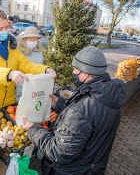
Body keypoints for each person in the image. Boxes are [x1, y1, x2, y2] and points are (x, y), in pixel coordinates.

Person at [22, 46, 126, 175]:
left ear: (86, 73)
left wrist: (34, 130)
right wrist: (61, 105)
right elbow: (90, 120)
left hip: (70, 171)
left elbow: (59, 152)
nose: (73, 72)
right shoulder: (109, 95)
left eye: (75, 69)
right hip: (93, 164)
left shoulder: (81, 110)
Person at [0, 5, 56, 120]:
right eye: (0, 29)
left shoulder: (10, 44)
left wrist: (44, 70)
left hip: (8, 103)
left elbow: (25, 64)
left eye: (6, 27)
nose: (5, 32)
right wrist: (9, 74)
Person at [15, 26, 44, 102]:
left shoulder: (39, 50)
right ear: (25, 39)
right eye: (31, 39)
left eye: (35, 39)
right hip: (22, 84)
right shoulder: (19, 51)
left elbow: (40, 64)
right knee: (21, 102)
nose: (33, 41)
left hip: (36, 83)